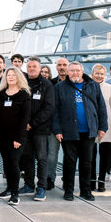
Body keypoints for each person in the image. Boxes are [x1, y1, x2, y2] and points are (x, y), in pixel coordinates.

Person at [52, 61, 107, 202]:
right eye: (72, 71)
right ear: (68, 72)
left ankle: (85, 190)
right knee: (69, 162)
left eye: (77, 70)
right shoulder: (59, 87)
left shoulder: (93, 85)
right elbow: (55, 111)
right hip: (68, 130)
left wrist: (102, 127)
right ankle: (68, 190)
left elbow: (101, 107)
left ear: (82, 72)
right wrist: (57, 130)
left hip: (88, 131)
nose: (74, 73)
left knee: (86, 162)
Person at [0, 67, 31, 205]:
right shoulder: (0, 94)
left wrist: (19, 138)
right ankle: (8, 189)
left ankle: (15, 194)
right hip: (2, 136)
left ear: (18, 77)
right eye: (9, 75)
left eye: (14, 75)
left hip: (17, 137)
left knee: (14, 163)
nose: (11, 77)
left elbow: (25, 118)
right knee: (7, 163)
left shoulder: (24, 95)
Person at [18, 56, 55, 202]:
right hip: (25, 129)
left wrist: (32, 123)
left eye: (34, 67)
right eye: (29, 67)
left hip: (40, 128)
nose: (32, 69)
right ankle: (28, 184)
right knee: (27, 158)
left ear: (40, 68)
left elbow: (49, 107)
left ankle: (41, 187)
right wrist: (23, 123)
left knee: (41, 158)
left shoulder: (46, 85)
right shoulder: (23, 83)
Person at [89, 64, 111, 192]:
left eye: (102, 74)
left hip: (107, 124)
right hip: (91, 123)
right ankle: (91, 180)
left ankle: (101, 181)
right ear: (92, 74)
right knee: (91, 154)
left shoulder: (109, 87)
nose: (99, 76)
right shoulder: (87, 86)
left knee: (105, 154)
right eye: (97, 73)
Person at [47, 57, 70, 189]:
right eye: (59, 65)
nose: (62, 67)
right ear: (56, 67)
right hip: (53, 124)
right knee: (52, 154)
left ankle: (67, 179)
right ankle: (50, 178)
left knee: (69, 155)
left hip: (69, 125)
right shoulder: (51, 83)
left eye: (64, 65)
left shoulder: (74, 83)